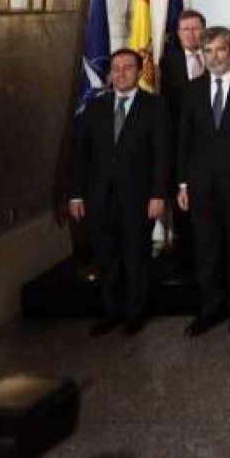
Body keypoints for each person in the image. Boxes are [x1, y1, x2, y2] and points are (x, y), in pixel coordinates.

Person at [69, 48, 170, 336]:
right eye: (116, 68)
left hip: (139, 198)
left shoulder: (155, 106)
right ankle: (110, 312)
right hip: (99, 198)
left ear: (139, 72)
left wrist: (158, 194)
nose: (121, 73)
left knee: (136, 256)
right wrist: (76, 194)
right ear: (110, 74)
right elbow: (80, 155)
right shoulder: (94, 107)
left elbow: (162, 155)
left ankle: (135, 313)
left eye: (128, 67)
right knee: (106, 257)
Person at [177, 26, 230, 336]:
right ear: (202, 54)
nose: (214, 57)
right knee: (207, 250)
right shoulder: (191, 90)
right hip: (200, 185)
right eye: (208, 51)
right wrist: (183, 183)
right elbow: (184, 140)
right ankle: (210, 310)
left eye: (220, 50)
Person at [156, 9, 206, 265]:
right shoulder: (167, 64)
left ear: (204, 30)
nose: (190, 34)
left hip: (211, 144)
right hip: (180, 145)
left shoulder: (216, 57)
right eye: (185, 29)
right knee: (182, 204)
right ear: (177, 33)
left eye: (195, 28)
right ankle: (186, 258)